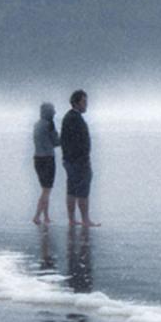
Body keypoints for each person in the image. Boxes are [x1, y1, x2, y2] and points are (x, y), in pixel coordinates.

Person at [60, 90, 100, 228]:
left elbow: (64, 141)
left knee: (71, 190)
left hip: (70, 160)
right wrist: (82, 158)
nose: (86, 104)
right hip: (78, 161)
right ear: (76, 103)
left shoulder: (68, 117)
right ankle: (85, 220)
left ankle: (72, 219)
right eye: (84, 102)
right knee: (82, 191)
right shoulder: (75, 119)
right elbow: (76, 142)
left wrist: (67, 158)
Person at [33, 103, 60, 225]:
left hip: (37, 158)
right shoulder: (49, 124)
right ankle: (37, 216)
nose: (54, 113)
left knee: (45, 189)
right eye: (53, 110)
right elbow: (56, 142)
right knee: (46, 190)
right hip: (48, 158)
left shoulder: (37, 124)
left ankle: (46, 216)